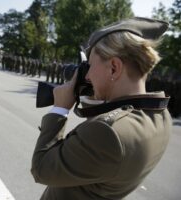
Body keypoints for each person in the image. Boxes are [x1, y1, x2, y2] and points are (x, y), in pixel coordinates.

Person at [31, 17, 172, 200]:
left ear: (114, 68)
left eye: (90, 66)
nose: (87, 76)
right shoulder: (160, 116)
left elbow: (42, 169)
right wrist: (97, 95)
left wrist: (60, 109)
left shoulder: (106, 132)